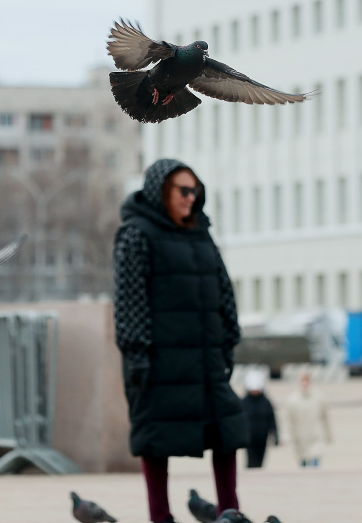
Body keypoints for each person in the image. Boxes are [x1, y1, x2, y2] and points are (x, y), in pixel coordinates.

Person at [113, 158, 249, 523]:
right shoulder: (136, 234)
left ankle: (229, 513)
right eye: (183, 190)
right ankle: (160, 517)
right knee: (156, 441)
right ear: (161, 191)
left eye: (196, 191)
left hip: (205, 362)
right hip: (159, 364)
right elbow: (129, 299)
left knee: (227, 433)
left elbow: (224, 291)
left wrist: (229, 340)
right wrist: (137, 354)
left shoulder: (201, 232)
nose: (191, 198)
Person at [283, 373, 332, 467]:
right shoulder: (292, 400)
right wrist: (287, 436)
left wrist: (328, 435)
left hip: (315, 436)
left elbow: (325, 418)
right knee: (303, 464)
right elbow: (289, 421)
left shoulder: (319, 398)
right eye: (303, 381)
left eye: (307, 381)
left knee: (315, 461)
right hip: (299, 438)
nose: (305, 384)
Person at [241, 369, 278, 469]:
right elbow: (240, 421)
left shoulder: (266, 402)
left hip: (262, 437)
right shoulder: (244, 402)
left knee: (260, 461)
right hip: (249, 437)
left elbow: (272, 419)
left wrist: (275, 435)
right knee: (251, 461)